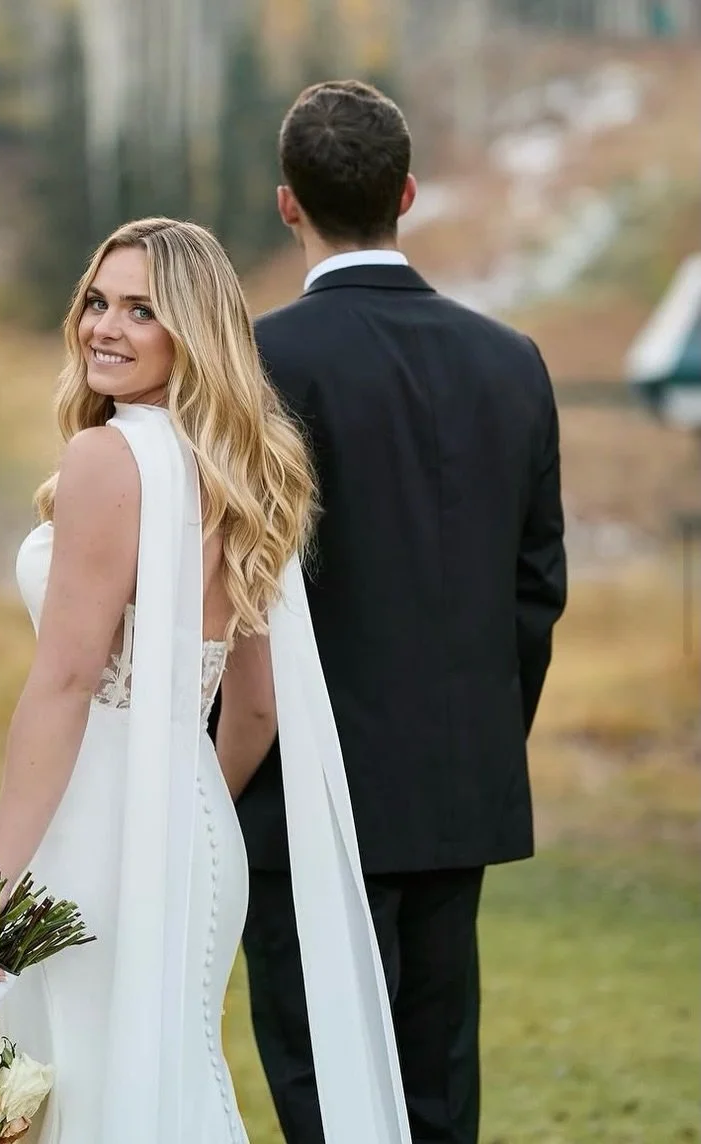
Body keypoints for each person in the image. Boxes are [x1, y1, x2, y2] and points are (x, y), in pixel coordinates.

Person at [0, 217, 413, 1144]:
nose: (103, 329)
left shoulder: (105, 458)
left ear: (188, 333)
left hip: (93, 832)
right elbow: (259, 703)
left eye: (140, 311)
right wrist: (190, 801)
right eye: (96, 302)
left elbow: (67, 681)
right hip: (196, 832)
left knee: (74, 1095)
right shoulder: (242, 470)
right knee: (172, 1081)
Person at [235, 81, 568, 1144]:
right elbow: (534, 584)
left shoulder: (256, 362)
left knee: (325, 1092)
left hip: (299, 795)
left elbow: (227, 589)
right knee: (436, 1094)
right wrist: (472, 741)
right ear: (407, 194)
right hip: (453, 789)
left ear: (287, 204)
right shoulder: (509, 362)